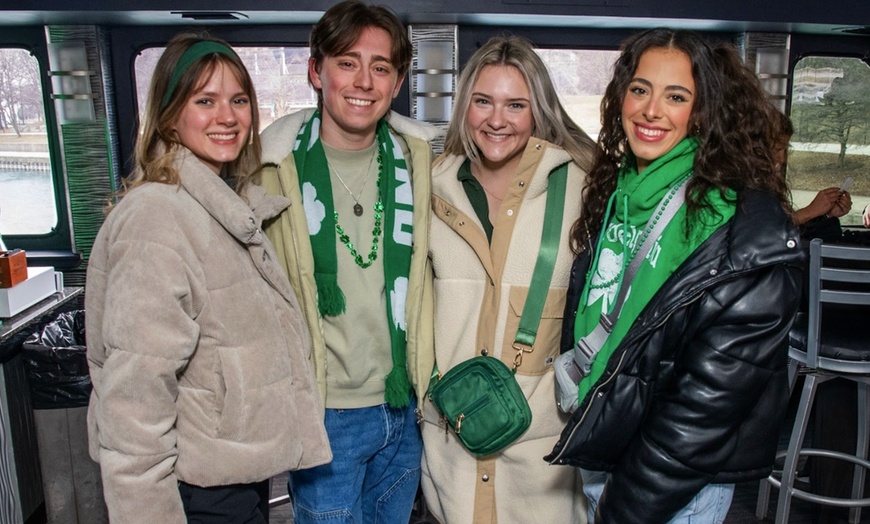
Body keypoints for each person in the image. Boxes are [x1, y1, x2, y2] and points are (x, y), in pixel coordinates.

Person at [545, 28, 805, 523]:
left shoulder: (743, 233)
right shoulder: (620, 191)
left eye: (677, 96)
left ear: (704, 111)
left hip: (662, 489)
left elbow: (702, 415)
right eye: (640, 89)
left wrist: (623, 508)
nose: (650, 110)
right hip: (606, 445)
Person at [86, 33, 331, 523]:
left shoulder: (217, 203)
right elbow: (135, 399)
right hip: (194, 491)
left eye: (239, 100)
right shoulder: (156, 216)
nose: (227, 116)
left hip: (230, 472)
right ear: (170, 112)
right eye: (205, 100)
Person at [252, 2, 440, 522]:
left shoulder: (419, 162)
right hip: (325, 412)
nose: (364, 81)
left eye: (380, 67)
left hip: (404, 406)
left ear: (398, 81)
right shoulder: (270, 169)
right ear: (317, 70)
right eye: (347, 62)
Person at [419, 36, 596, 523]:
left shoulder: (586, 186)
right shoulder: (430, 188)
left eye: (515, 105)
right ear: (464, 107)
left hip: (542, 461)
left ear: (538, 111)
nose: (497, 120)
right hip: (450, 447)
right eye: (483, 101)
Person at [775, 112, 853, 235]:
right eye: (777, 149)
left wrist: (826, 214)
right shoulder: (743, 188)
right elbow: (766, 231)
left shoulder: (767, 185)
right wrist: (809, 212)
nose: (782, 158)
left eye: (785, 150)